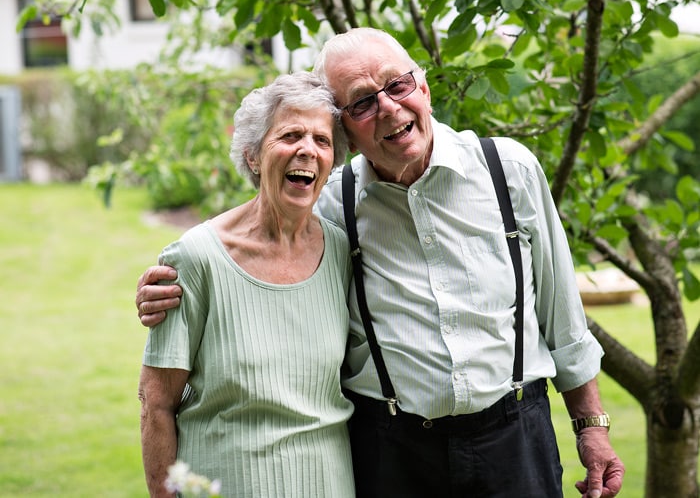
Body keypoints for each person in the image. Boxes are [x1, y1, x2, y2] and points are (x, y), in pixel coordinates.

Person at [136, 28, 625, 498]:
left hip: (516, 438)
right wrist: (175, 279)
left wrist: (592, 428)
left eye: (397, 85)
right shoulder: (331, 204)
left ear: (424, 87)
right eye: (363, 102)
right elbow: (260, 237)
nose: (389, 108)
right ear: (346, 125)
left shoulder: (509, 172)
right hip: (395, 454)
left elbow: (563, 319)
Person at [137, 71, 356, 498]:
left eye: (322, 140)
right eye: (290, 134)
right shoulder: (196, 258)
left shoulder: (342, 251)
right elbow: (155, 405)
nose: (307, 150)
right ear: (253, 155)